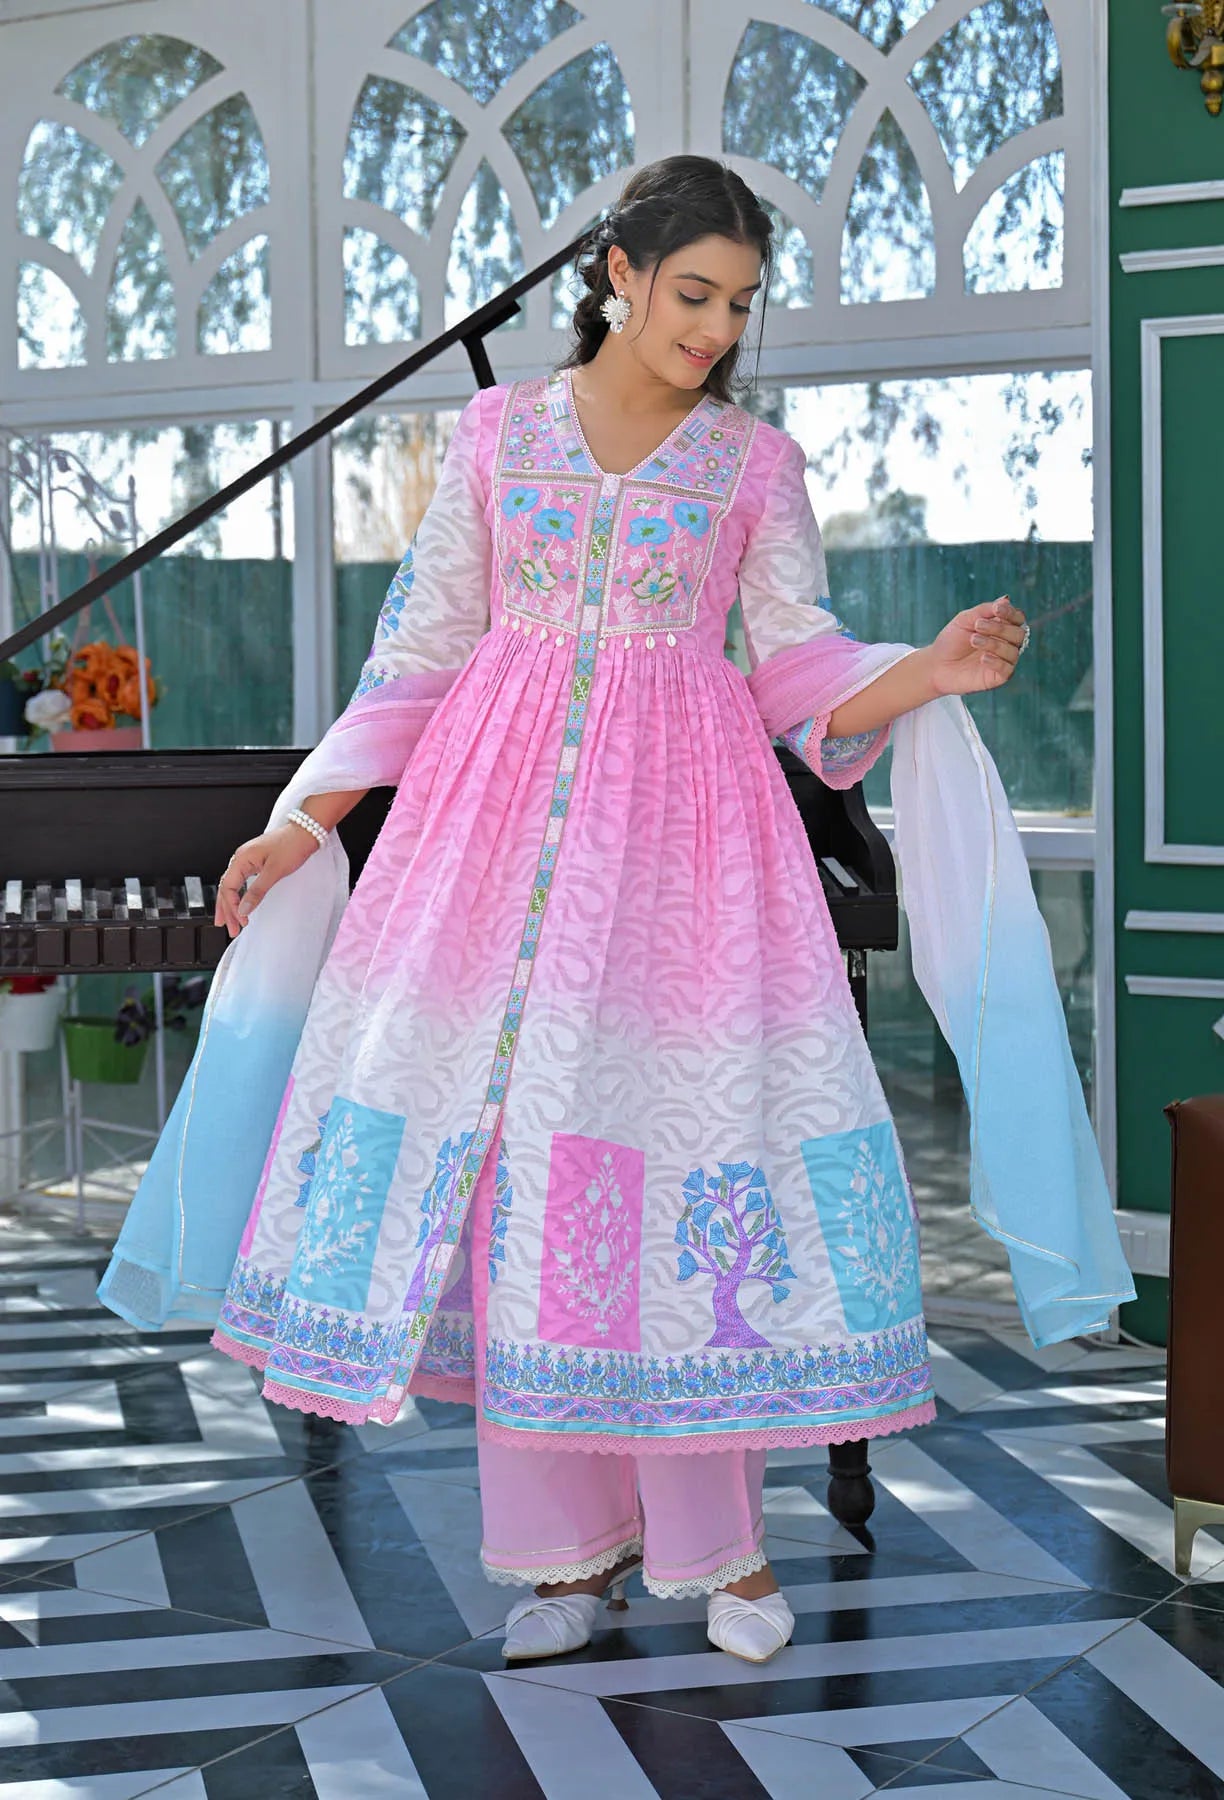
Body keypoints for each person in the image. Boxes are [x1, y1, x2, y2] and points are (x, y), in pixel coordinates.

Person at [98, 155, 1134, 1667]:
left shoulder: (751, 469)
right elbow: (425, 649)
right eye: (692, 292)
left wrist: (928, 673)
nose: (714, 327)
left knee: (686, 1157)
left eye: (738, 304)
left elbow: (793, 662)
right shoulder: (495, 438)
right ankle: (562, 1562)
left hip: (689, 857)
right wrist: (298, 812)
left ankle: (728, 1559)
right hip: (486, 850)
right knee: (532, 1183)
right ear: (618, 275)